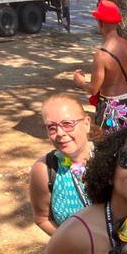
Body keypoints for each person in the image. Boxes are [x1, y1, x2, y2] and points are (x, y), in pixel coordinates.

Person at [30, 94, 92, 236]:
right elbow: (42, 219)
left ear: (87, 123)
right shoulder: (44, 169)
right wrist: (70, 243)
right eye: (52, 127)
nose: (60, 133)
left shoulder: (111, 158)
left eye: (68, 124)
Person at [73, 0, 127, 126]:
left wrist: (80, 82)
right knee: (124, 140)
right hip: (126, 103)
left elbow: (93, 89)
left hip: (109, 108)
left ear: (100, 23)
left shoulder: (101, 55)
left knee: (108, 142)